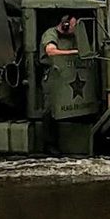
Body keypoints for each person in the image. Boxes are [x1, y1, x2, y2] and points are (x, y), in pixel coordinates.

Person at [39, 14, 79, 154]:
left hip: (67, 75)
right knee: (50, 109)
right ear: (65, 24)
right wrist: (74, 52)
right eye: (73, 25)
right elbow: (51, 51)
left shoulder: (73, 37)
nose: (75, 29)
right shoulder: (51, 34)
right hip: (53, 75)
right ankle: (49, 145)